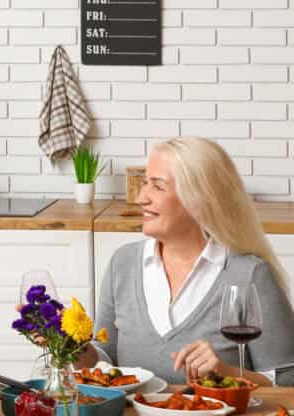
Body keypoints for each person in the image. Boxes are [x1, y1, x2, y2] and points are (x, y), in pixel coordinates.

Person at [78, 137, 294, 386]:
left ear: (199, 200)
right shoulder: (122, 263)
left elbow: (288, 379)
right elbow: (106, 359)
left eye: (157, 186)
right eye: (145, 183)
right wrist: (72, 347)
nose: (140, 198)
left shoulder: (249, 274)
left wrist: (227, 373)